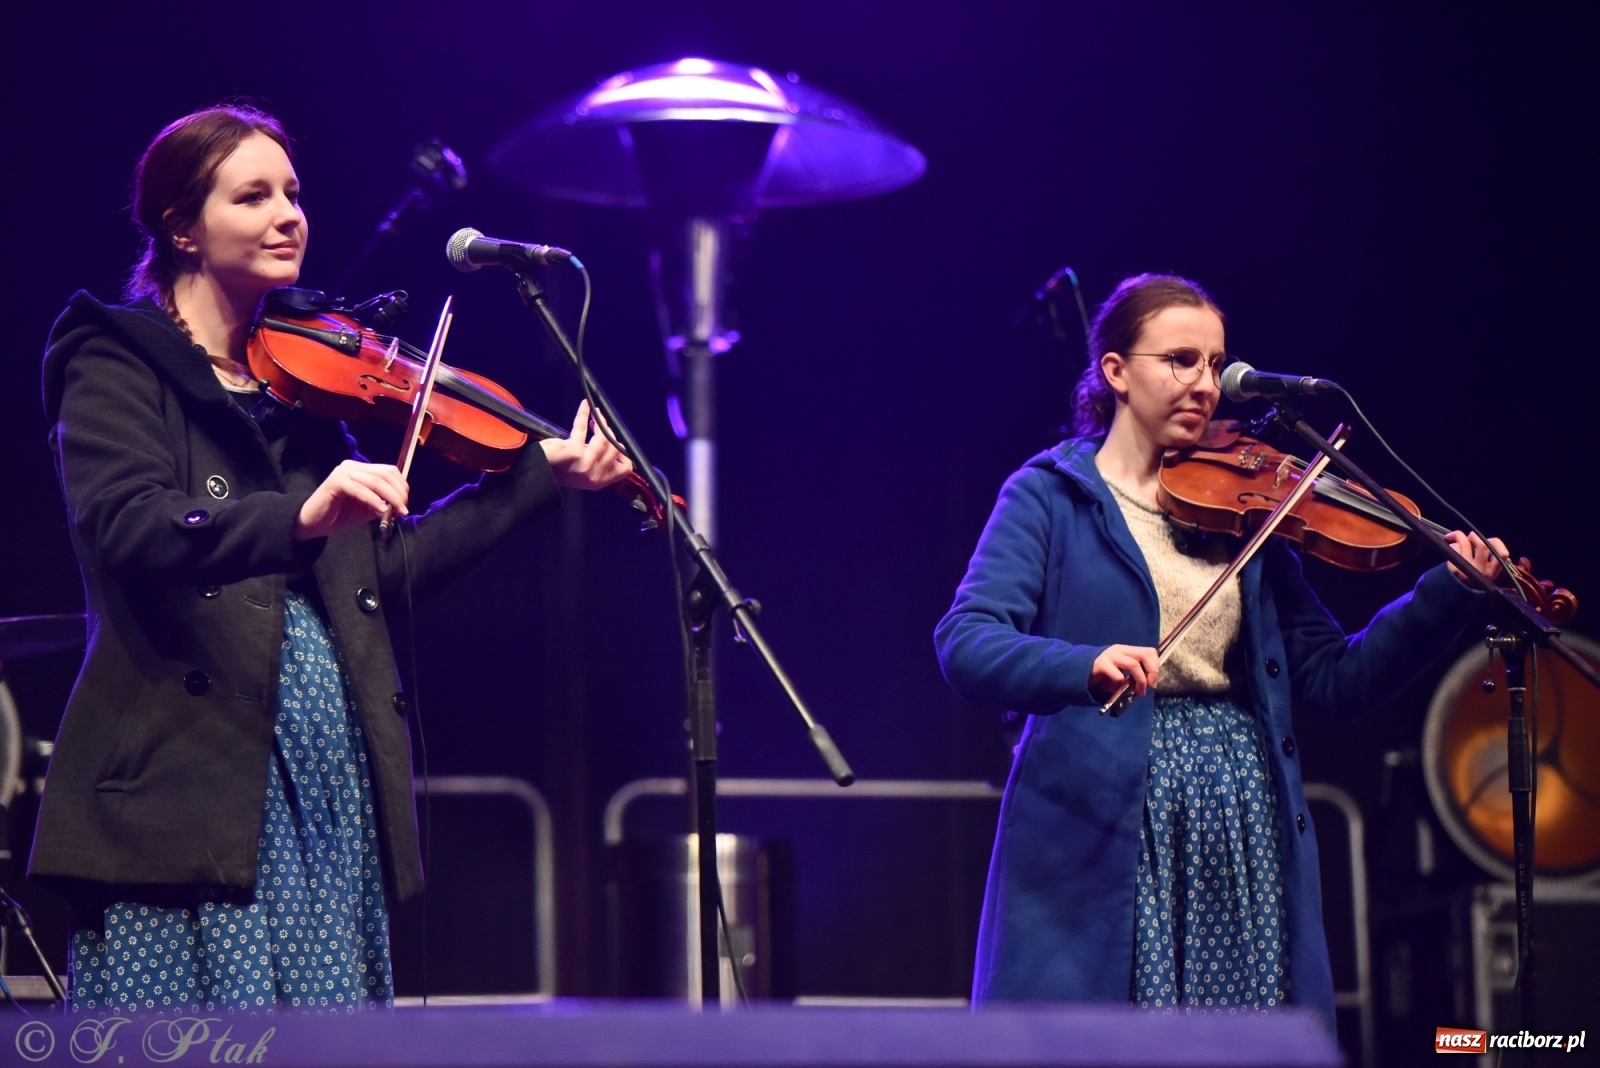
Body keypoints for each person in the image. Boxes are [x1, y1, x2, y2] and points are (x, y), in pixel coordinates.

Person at [28, 104, 634, 1011]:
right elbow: (130, 527)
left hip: (321, 772)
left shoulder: (303, 385)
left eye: (294, 193)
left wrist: (534, 480)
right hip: (188, 779)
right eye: (254, 196)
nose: (289, 215)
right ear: (181, 227)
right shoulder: (115, 360)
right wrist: (298, 517)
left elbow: (381, 577)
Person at [934, 273, 1504, 1027]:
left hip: (1238, 818)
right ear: (1116, 373)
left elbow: (1336, 679)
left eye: (1215, 363)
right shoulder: (1048, 496)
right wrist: (1082, 664)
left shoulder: (1248, 512)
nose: (1206, 384)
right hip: (1101, 817)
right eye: (1180, 360)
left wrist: (1444, 597)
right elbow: (967, 640)